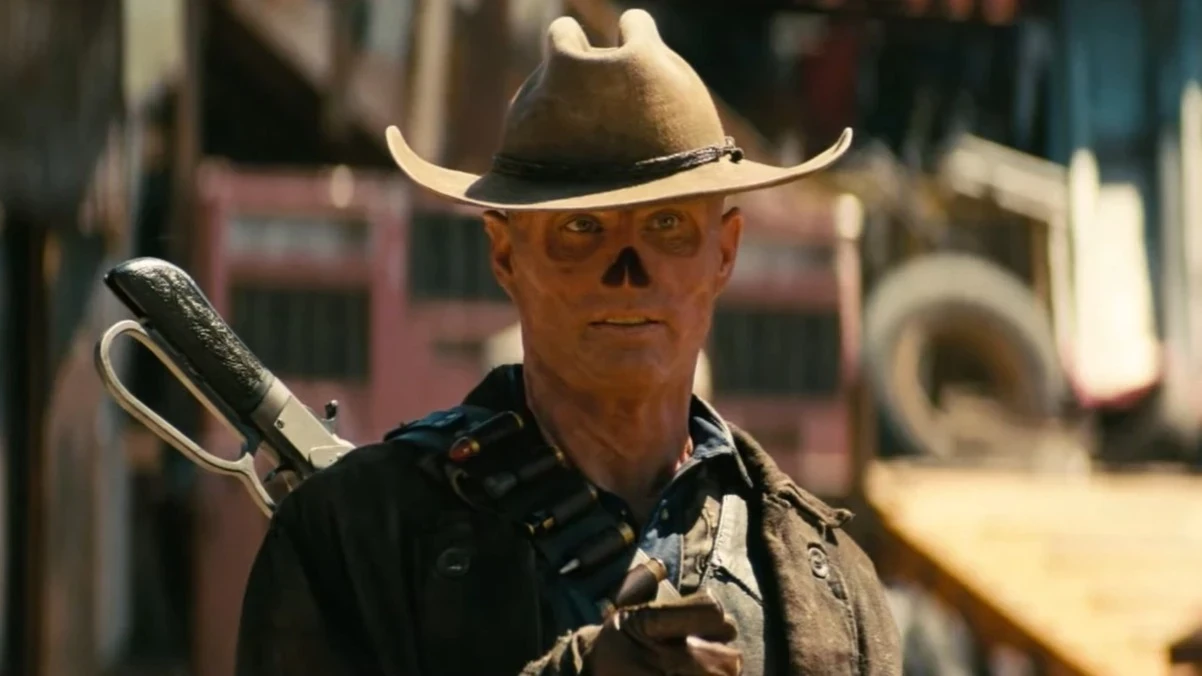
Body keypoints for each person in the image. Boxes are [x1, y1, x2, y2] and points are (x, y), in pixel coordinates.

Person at [235, 9, 901, 676]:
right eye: (582, 228)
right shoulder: (357, 535)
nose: (627, 273)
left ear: (724, 252)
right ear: (505, 255)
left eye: (667, 225)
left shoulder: (827, 585)